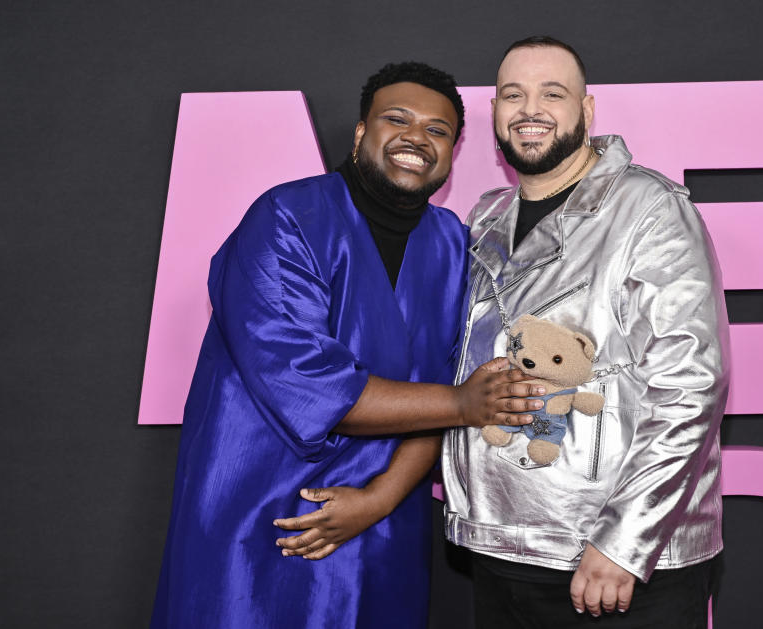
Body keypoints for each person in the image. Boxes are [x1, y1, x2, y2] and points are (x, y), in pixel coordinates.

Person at [151, 62, 544, 629]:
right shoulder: (286, 219)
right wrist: (462, 403)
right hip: (267, 516)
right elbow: (310, 384)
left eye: (438, 130)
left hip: (384, 520)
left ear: (452, 153)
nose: (417, 137)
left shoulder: (455, 246)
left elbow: (453, 378)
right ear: (361, 132)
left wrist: (382, 498)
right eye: (397, 119)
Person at [440, 37, 731, 628]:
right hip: (497, 547)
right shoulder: (484, 219)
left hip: (610, 563)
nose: (530, 110)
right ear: (493, 111)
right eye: (513, 95)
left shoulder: (649, 209)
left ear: (587, 110)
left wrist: (624, 541)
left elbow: (692, 384)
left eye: (553, 93)